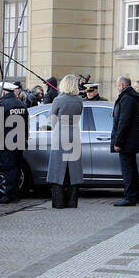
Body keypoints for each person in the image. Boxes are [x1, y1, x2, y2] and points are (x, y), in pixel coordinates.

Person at [46, 74, 83, 209]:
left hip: (60, 136)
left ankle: (59, 201)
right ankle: (72, 201)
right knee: (73, 169)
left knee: (58, 169)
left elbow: (51, 120)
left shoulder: (58, 100)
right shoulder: (79, 100)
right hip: (74, 135)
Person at [111, 76, 139, 207]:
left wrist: (118, 142)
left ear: (122, 85)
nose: (116, 87)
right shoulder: (133, 97)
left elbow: (123, 122)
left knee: (127, 170)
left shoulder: (126, 98)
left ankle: (130, 197)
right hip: (132, 140)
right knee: (132, 169)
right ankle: (134, 195)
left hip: (126, 141)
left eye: (117, 85)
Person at [0, 82, 29, 204]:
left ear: (4, 92)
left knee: (8, 168)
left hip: (7, 141)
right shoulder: (21, 104)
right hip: (19, 141)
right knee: (17, 167)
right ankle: (15, 194)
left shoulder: (3, 104)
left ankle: (9, 195)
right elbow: (26, 124)